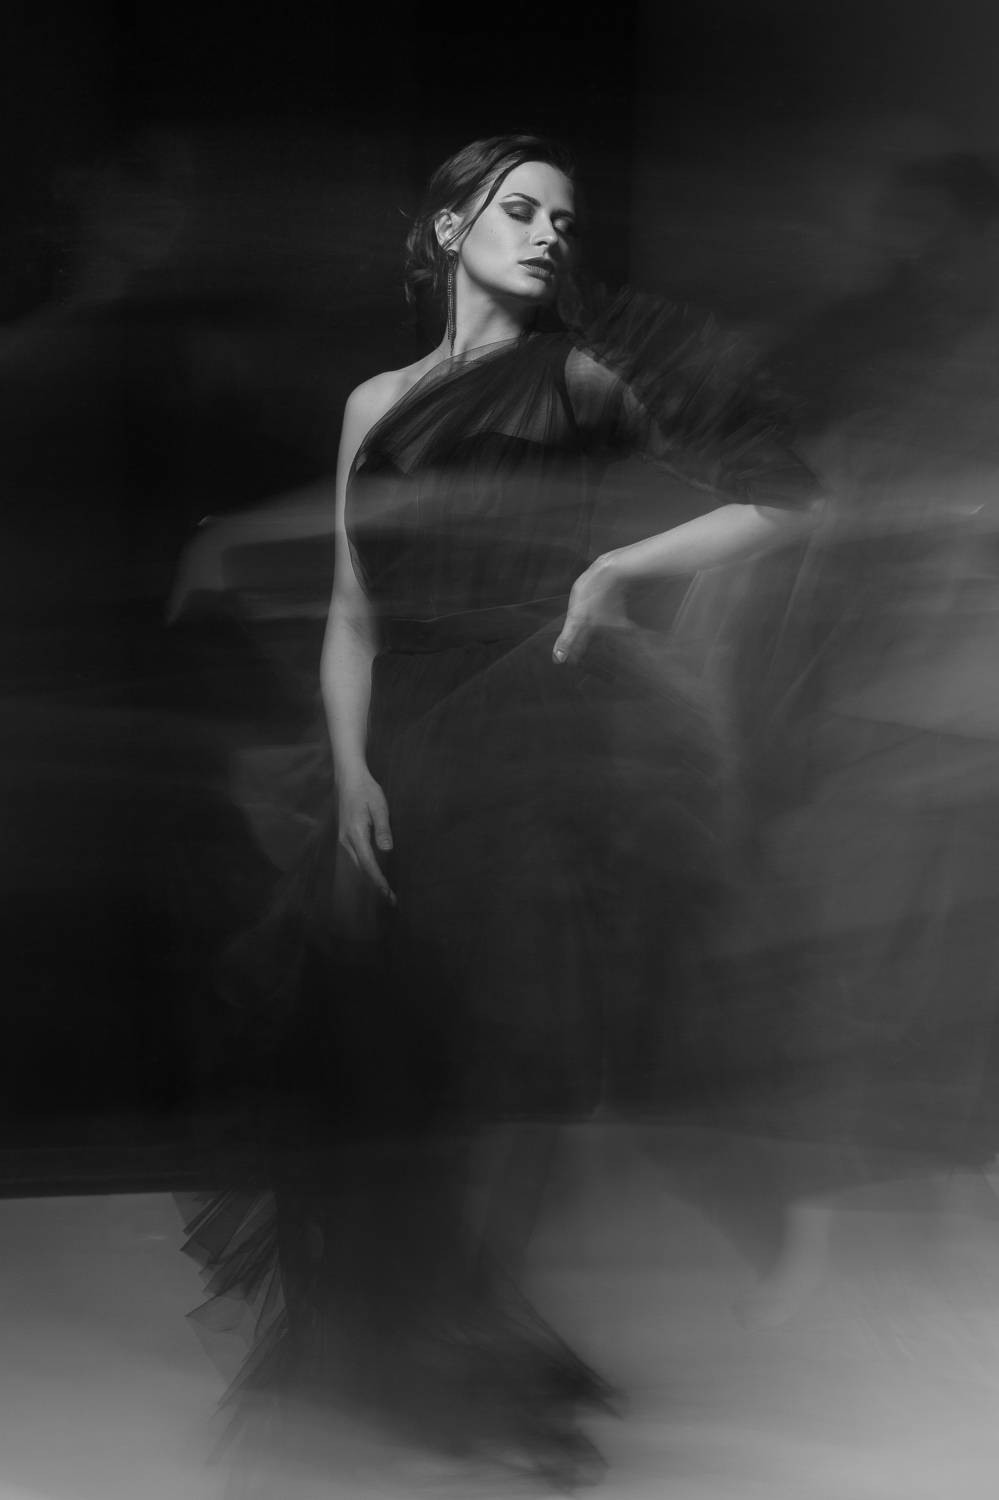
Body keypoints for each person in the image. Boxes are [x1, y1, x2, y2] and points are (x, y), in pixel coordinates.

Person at [183, 133, 822, 1490]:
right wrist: (349, 769)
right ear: (447, 228)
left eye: (561, 221)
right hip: (402, 741)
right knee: (393, 1055)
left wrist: (615, 567)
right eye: (519, 209)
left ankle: (472, 1341)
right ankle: (427, 1335)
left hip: (534, 739)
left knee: (501, 1057)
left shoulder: (579, 377)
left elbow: (783, 498)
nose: (545, 235)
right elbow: (351, 609)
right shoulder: (374, 403)